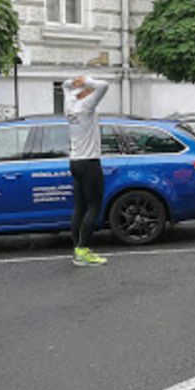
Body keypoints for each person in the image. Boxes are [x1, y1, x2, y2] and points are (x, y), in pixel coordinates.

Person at [63, 76, 110, 267]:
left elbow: (66, 84)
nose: (91, 92)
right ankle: (84, 251)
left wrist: (76, 83)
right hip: (89, 162)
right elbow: (103, 85)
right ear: (83, 93)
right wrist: (85, 80)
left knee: (80, 207)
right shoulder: (85, 106)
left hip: (75, 161)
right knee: (93, 206)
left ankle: (77, 250)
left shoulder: (69, 104)